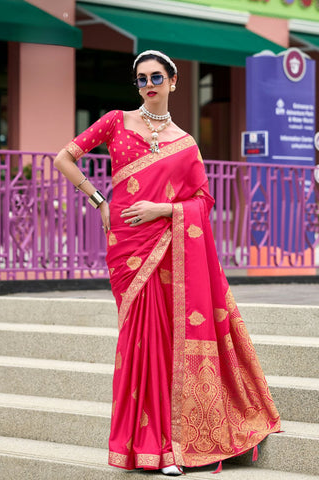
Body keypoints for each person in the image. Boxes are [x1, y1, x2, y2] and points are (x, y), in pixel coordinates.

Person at [54, 50, 280, 476]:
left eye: (156, 77)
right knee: (137, 340)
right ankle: (142, 446)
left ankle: (169, 447)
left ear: (174, 81)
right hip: (126, 247)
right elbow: (64, 157)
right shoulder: (117, 121)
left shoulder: (185, 143)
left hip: (168, 244)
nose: (148, 85)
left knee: (165, 340)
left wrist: (164, 210)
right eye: (141, 79)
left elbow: (202, 200)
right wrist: (98, 198)